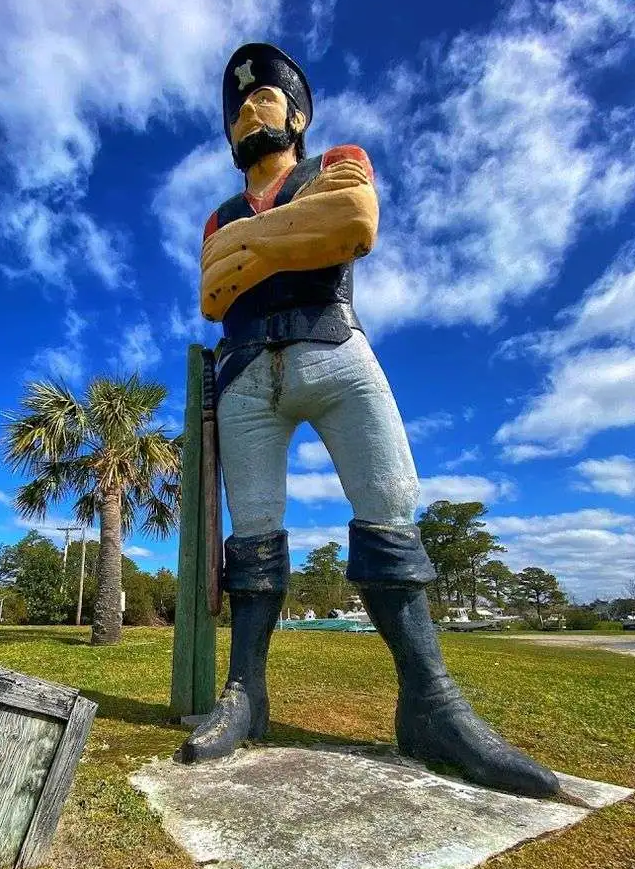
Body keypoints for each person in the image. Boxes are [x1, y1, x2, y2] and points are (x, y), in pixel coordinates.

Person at [178, 42, 558, 799]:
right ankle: (245, 692)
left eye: (268, 98)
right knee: (252, 532)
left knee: (389, 507)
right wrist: (287, 240)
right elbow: (213, 295)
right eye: (240, 106)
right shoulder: (215, 214)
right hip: (247, 373)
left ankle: (432, 701)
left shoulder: (335, 162)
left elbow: (351, 221)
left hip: (335, 349)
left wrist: (250, 246)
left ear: (298, 115)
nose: (254, 108)